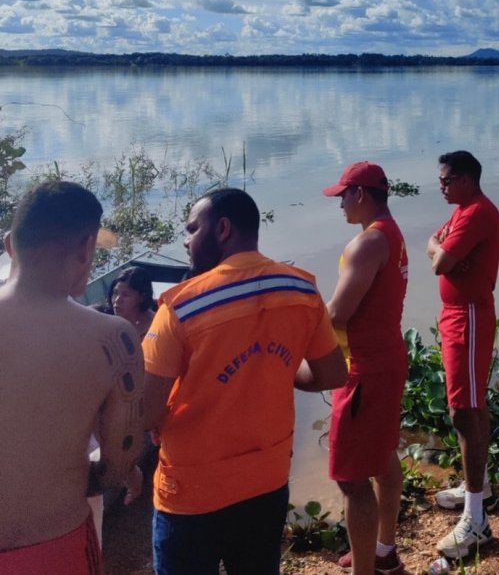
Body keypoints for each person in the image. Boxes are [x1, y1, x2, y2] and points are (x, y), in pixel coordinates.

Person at [142, 187, 347, 575]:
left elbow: (148, 412)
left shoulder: (181, 306)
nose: (185, 241)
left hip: (192, 490)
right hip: (266, 480)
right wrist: (274, 371)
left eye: (191, 229)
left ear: (222, 228)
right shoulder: (301, 289)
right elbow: (333, 373)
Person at [0, 181, 144, 574]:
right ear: (86, 248)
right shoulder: (114, 339)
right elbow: (116, 466)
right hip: (54, 549)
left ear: (10, 244)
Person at [322, 162, 409, 575]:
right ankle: (383, 550)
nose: (339, 203)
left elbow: (337, 313)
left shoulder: (368, 243)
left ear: (360, 194)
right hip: (388, 358)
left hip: (364, 371)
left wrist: (292, 321)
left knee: (353, 481)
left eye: (343, 195)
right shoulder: (393, 234)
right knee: (384, 454)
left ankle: (365, 570)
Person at [426, 151, 499, 559]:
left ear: (467, 180)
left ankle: (477, 520)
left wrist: (441, 252)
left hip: (469, 316)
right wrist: (440, 250)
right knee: (469, 405)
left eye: (446, 180)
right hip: (458, 315)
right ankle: (481, 487)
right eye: (440, 180)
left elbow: (439, 261)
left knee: (464, 410)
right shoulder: (463, 211)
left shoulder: (475, 213)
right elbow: (433, 246)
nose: (441, 185)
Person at [111, 266, 156, 338]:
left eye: (125, 295)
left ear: (142, 297)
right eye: (115, 293)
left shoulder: (155, 326)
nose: (117, 300)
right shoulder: (110, 325)